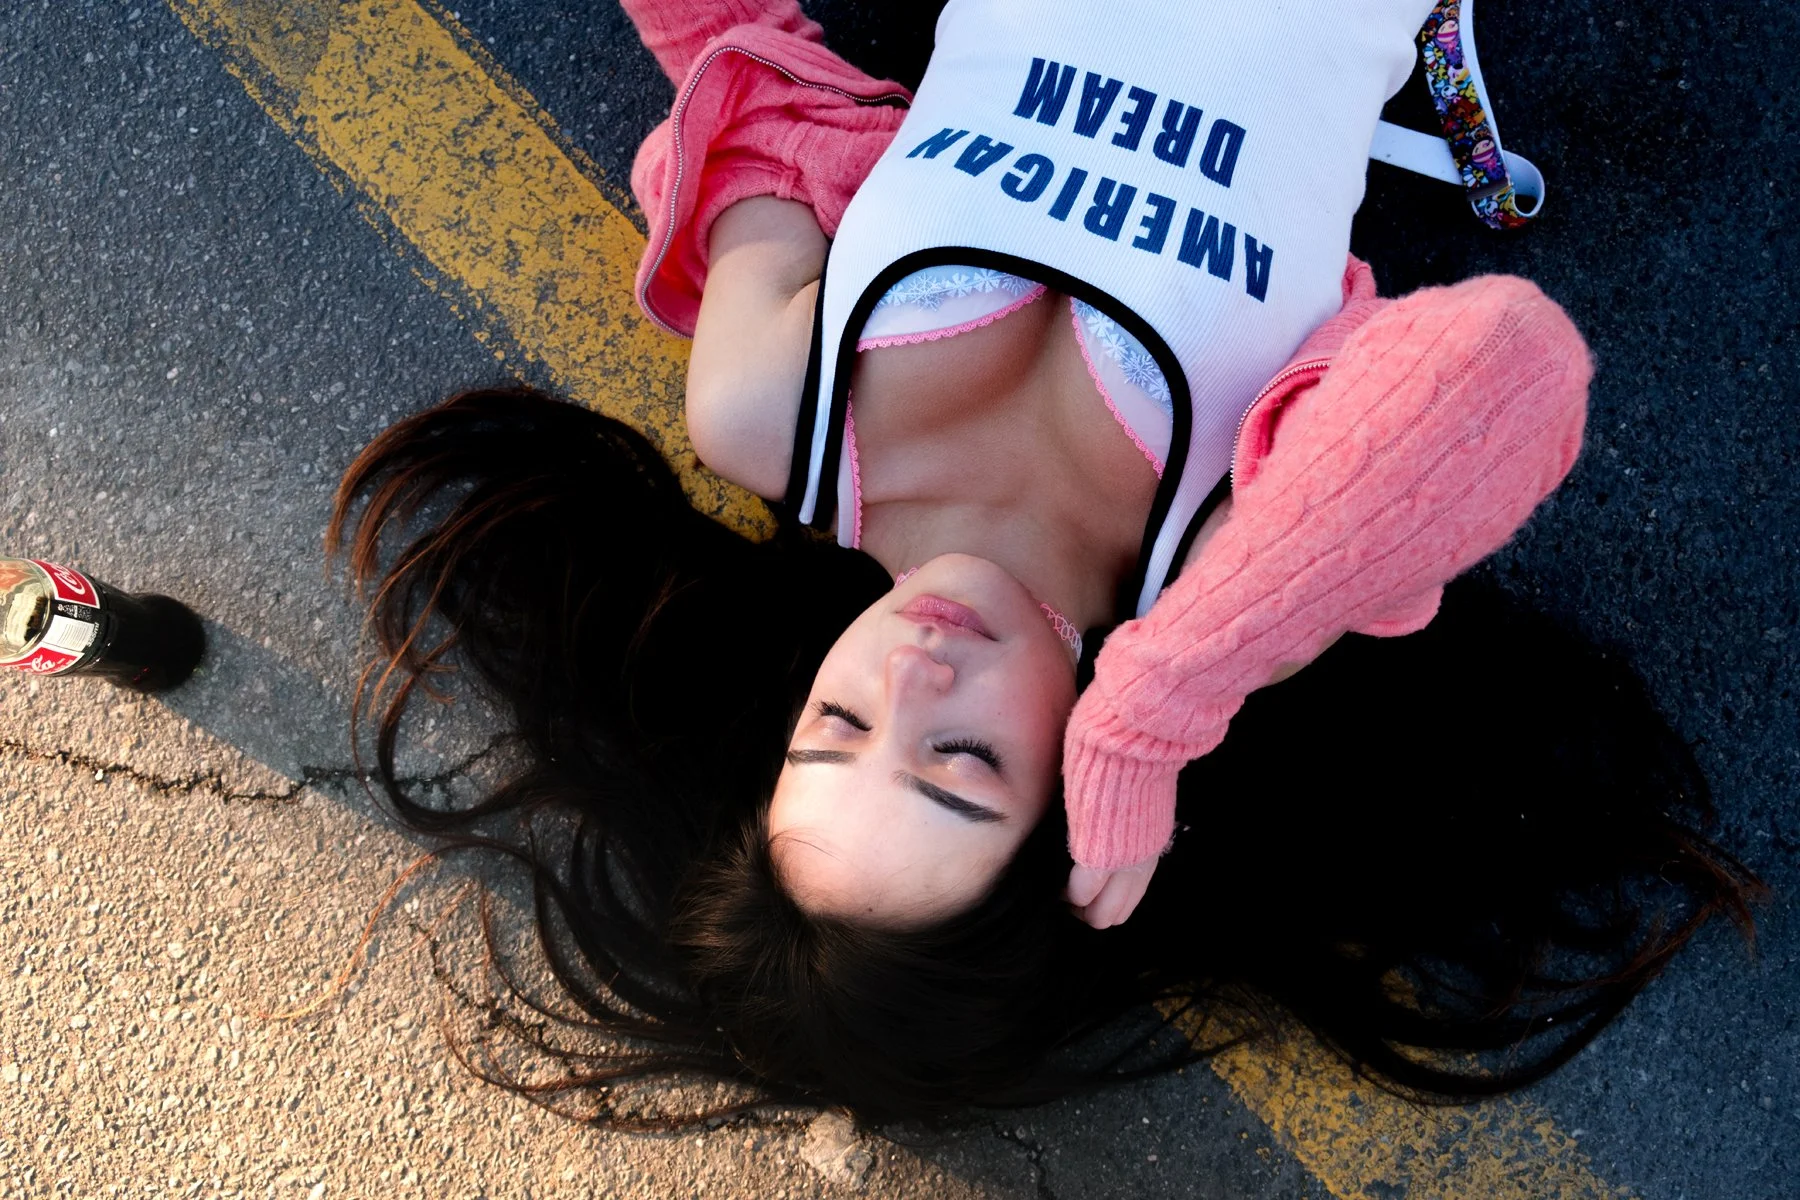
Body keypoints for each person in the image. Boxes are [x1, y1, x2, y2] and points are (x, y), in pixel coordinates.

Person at [326, 0, 1760, 1125]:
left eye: (839, 728)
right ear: (1076, 803)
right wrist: (1161, 703)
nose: (916, 674)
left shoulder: (774, 413)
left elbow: (735, 60)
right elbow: (1509, 365)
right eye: (963, 762)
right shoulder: (1224, 558)